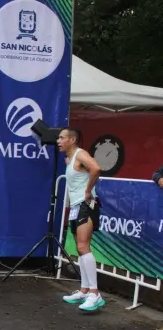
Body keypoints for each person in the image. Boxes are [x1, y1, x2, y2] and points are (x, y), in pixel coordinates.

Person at [58, 127, 105, 312]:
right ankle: (85, 290)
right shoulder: (69, 159)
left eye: (62, 138)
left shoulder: (80, 154)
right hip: (76, 207)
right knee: (79, 247)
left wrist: (88, 191)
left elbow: (96, 168)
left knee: (84, 246)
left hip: (86, 205)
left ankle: (95, 293)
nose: (58, 141)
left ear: (72, 139)